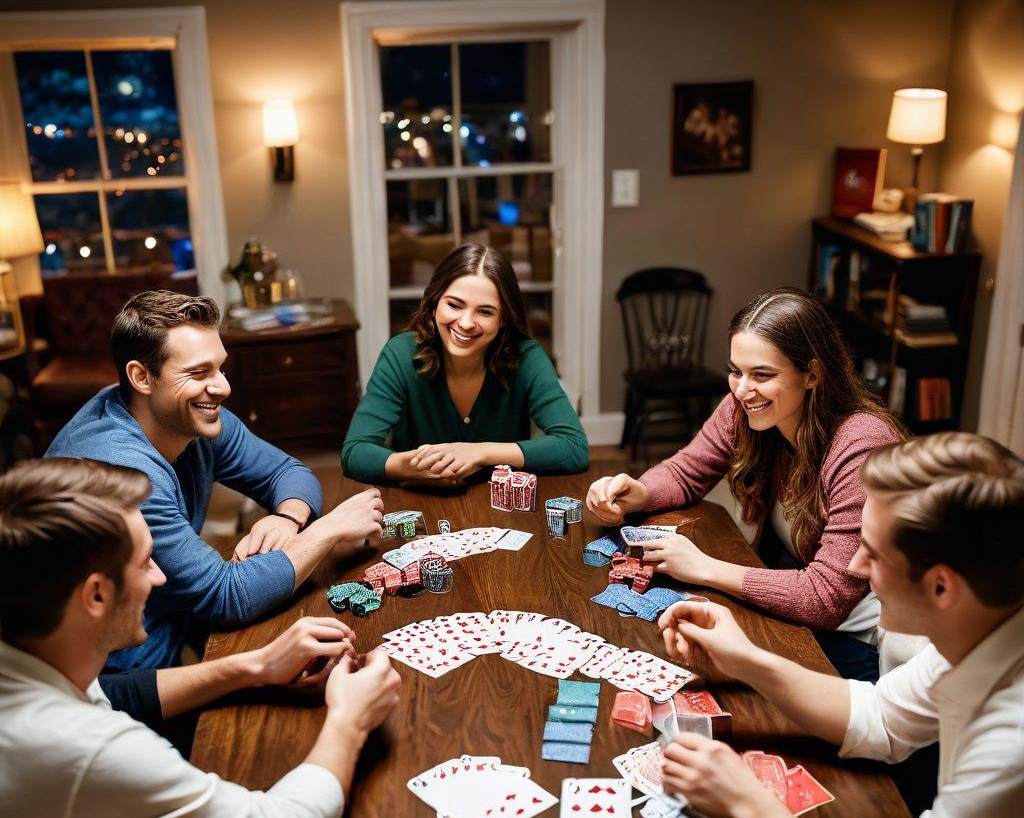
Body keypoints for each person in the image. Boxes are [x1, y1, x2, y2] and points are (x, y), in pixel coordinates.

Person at [0, 456, 402, 818]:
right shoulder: (79, 748)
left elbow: (117, 695)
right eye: (145, 563)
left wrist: (252, 666)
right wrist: (349, 720)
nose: (160, 578)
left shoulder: (28, 654)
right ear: (95, 595)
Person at [657, 432, 1024, 818]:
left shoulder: (1012, 743)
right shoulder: (986, 623)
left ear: (942, 585)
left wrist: (746, 802)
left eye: (874, 552)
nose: (854, 563)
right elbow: (880, 716)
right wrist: (747, 659)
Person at [46, 290, 384, 672]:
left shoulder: (181, 414)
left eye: (220, 368)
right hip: (121, 678)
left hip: (181, 624)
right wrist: (330, 529)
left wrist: (288, 517)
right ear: (141, 377)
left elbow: (288, 472)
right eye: (198, 372)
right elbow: (226, 597)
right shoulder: (121, 471)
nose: (222, 387)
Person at [587, 287, 905, 680]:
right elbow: (687, 470)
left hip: (861, 643)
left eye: (762, 375)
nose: (741, 389)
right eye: (736, 371)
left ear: (813, 374)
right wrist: (639, 492)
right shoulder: (747, 404)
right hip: (797, 610)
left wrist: (703, 567)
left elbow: (825, 599)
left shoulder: (861, 444)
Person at [341, 243, 589, 485]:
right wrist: (408, 467)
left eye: (485, 312)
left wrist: (479, 452)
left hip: (506, 513)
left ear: (503, 318)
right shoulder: (400, 354)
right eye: (454, 305)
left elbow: (574, 447)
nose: (466, 323)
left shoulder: (527, 357)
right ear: (435, 301)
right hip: (420, 506)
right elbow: (355, 452)